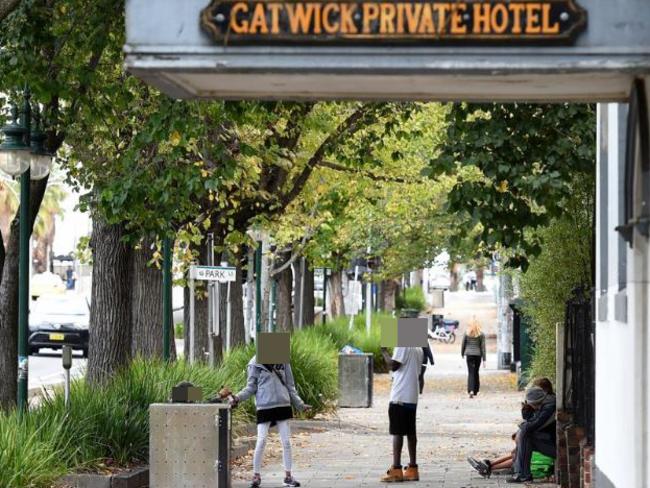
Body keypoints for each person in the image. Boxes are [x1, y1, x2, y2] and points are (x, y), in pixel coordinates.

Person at [230, 357, 311, 488]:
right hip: (264, 406)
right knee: (261, 440)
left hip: (283, 405)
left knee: (286, 442)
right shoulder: (254, 363)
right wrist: (237, 398)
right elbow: (251, 387)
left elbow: (290, 386)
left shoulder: (283, 360)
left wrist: (300, 405)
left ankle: (288, 476)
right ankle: (256, 475)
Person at [467, 377, 555, 478]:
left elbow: (534, 424)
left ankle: (490, 466)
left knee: (520, 446)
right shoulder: (541, 403)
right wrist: (527, 407)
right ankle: (489, 464)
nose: (533, 393)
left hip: (545, 439)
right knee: (519, 447)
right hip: (540, 436)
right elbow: (528, 419)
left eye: (536, 390)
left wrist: (521, 431)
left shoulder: (547, 404)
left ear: (545, 391)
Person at [380, 345, 424, 482]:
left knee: (397, 432)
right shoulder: (418, 348)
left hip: (400, 395)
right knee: (411, 432)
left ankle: (396, 469)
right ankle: (412, 469)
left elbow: (393, 365)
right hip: (412, 395)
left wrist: (384, 351)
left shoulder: (403, 345)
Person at [506, 385, 556, 483]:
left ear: (535, 402)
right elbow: (530, 420)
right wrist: (526, 409)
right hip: (549, 440)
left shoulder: (549, 407)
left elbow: (534, 424)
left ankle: (523, 474)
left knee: (525, 434)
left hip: (554, 446)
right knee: (524, 434)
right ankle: (521, 473)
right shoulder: (545, 404)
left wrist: (522, 425)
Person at [461, 319, 486, 398]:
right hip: (478, 355)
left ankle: (470, 390)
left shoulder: (466, 333)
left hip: (469, 355)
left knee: (471, 372)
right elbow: (483, 348)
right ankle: (476, 390)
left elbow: (463, 344)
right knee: (476, 372)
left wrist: (462, 353)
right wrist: (484, 359)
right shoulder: (481, 334)